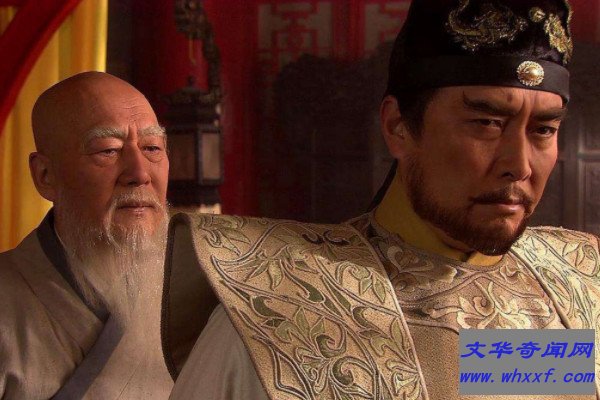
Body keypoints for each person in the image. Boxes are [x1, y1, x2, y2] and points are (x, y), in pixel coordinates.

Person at [164, 0, 599, 399]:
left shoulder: (574, 289)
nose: (519, 165)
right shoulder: (273, 309)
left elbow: (476, 371)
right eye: (486, 123)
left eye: (543, 129)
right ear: (397, 127)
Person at [0, 72, 173, 399]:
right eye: (108, 150)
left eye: (152, 148)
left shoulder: (203, 294)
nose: (139, 174)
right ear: (45, 175)